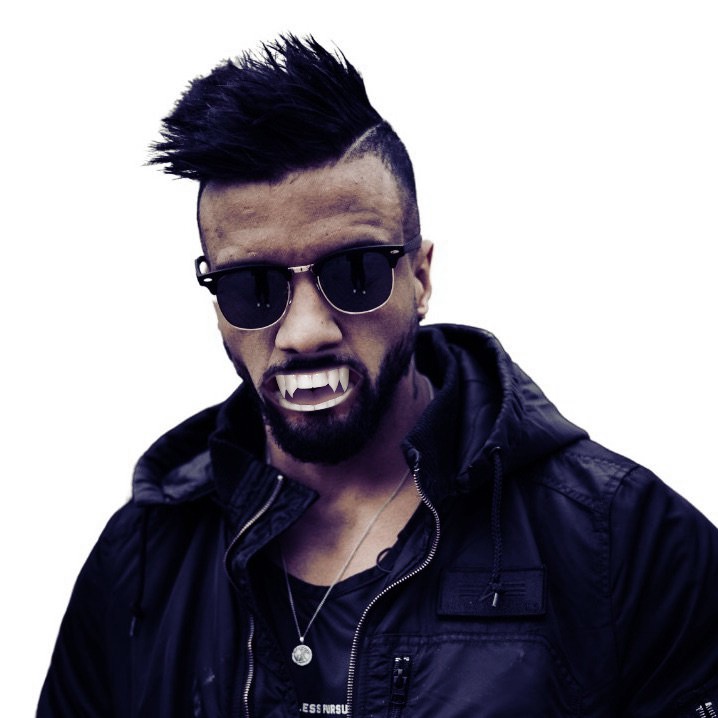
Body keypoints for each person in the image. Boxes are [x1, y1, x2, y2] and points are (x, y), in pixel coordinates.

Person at [38, 35, 718, 718]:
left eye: (354, 273)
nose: (305, 332)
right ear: (215, 301)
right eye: (253, 288)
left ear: (419, 278)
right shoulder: (143, 561)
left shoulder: (625, 541)